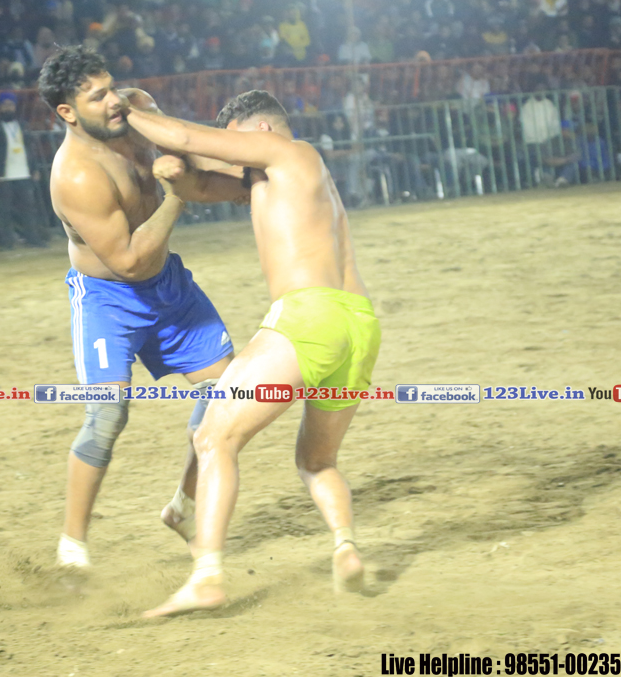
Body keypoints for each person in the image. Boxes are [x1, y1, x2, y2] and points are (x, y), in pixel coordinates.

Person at [123, 90, 381, 617]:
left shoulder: (288, 150)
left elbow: (190, 137)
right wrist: (175, 172)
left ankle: (207, 577)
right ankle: (345, 547)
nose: (234, 154)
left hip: (309, 315)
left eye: (237, 141)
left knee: (213, 437)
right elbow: (198, 179)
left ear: (260, 131)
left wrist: (129, 110)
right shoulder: (282, 174)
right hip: (359, 324)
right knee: (317, 461)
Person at [38, 46, 237, 569]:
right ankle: (73, 547)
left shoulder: (138, 108)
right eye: (96, 96)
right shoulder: (76, 175)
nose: (113, 101)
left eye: (111, 86)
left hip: (168, 285)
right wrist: (177, 195)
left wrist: (249, 175)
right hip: (110, 298)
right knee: (107, 413)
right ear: (67, 112)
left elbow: (190, 151)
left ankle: (184, 508)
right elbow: (127, 262)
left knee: (226, 394)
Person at [0, 92, 51, 247]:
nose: (8, 108)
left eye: (11, 105)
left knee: (29, 208)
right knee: (4, 210)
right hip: (4, 174)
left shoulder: (23, 125)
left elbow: (31, 148)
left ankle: (33, 238)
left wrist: (34, 168)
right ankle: (7, 241)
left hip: (24, 172)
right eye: (5, 105)